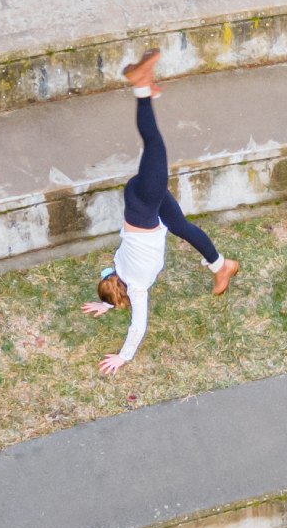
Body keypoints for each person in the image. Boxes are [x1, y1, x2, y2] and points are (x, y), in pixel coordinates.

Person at [82, 48, 238, 375]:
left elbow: (137, 328)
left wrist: (123, 356)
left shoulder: (137, 290)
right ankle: (221, 266)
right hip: (139, 204)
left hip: (145, 206)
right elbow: (107, 279)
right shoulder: (117, 270)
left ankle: (141, 87)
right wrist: (105, 302)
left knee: (155, 145)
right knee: (180, 225)